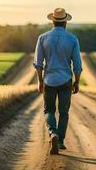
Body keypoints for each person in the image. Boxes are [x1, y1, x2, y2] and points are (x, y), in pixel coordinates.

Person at [33, 8, 82, 154]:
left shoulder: (42, 38)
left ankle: (53, 133)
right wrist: (77, 81)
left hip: (49, 80)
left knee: (49, 110)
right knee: (64, 112)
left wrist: (40, 81)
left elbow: (38, 63)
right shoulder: (72, 39)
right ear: (65, 22)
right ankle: (60, 140)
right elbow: (77, 65)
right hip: (66, 80)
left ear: (53, 21)